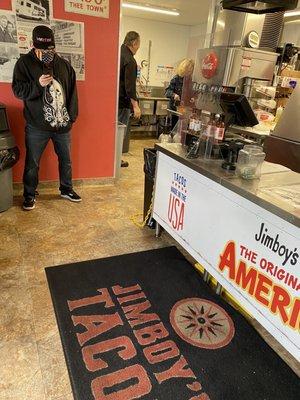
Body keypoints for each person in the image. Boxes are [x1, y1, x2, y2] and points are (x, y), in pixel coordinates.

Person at [12, 25, 81, 211]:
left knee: (66, 160)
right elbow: (18, 90)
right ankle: (29, 194)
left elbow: (73, 93)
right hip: (37, 126)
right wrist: (37, 84)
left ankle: (66, 189)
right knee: (32, 162)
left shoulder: (64, 65)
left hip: (63, 125)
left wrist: (71, 117)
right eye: (41, 49)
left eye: (50, 49)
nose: (46, 53)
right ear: (34, 46)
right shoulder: (24, 64)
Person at [118, 31, 141, 168]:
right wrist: (136, 106)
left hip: (113, 100)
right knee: (120, 132)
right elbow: (130, 86)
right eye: (139, 44)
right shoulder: (130, 60)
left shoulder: (118, 53)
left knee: (114, 130)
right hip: (122, 102)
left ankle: (112, 158)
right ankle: (116, 159)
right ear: (134, 43)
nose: (138, 47)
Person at [165, 58, 195, 129]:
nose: (189, 72)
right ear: (184, 69)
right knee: (175, 127)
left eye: (191, 71)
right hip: (175, 109)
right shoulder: (176, 79)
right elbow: (167, 92)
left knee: (183, 128)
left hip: (185, 109)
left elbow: (193, 94)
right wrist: (174, 95)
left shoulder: (190, 80)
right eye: (188, 70)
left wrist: (193, 98)